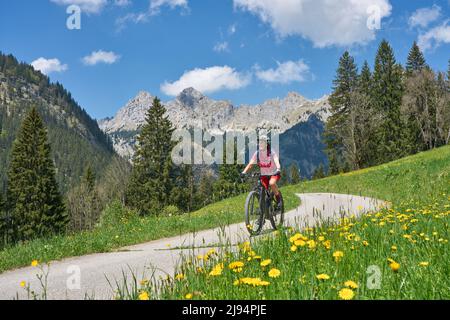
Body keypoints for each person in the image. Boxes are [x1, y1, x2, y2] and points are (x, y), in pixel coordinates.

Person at [242, 135, 282, 208]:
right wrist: (244, 172)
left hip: (274, 173)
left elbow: (276, 160)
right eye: (259, 142)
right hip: (264, 175)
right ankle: (263, 209)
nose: (260, 144)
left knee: (272, 183)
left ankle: (278, 200)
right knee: (263, 189)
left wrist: (278, 169)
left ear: (266, 144)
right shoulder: (257, 153)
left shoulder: (271, 152)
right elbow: (250, 164)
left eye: (262, 142)